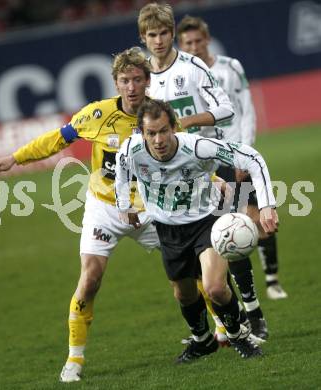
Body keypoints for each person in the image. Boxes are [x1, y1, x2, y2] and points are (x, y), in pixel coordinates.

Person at [0, 47, 162, 383]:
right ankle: (74, 359)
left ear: (147, 81)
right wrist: (14, 158)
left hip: (150, 208)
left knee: (186, 271)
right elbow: (58, 138)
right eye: (125, 80)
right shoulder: (97, 115)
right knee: (90, 278)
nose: (132, 87)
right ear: (116, 83)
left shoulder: (160, 116)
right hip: (105, 207)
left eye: (138, 79)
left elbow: (183, 153)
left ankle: (223, 330)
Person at [137, 2, 268, 343]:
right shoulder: (142, 80)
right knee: (194, 259)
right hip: (174, 178)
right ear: (143, 38)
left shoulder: (193, 67)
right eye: (153, 35)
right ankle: (224, 327)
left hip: (213, 163)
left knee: (231, 236)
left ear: (172, 33)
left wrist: (188, 123)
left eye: (165, 33)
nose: (160, 40)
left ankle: (254, 315)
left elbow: (225, 109)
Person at [115, 99, 279, 361]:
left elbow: (251, 157)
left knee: (214, 287)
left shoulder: (198, 147)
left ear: (174, 127)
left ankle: (238, 335)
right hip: (168, 230)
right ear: (141, 133)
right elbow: (121, 171)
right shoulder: (131, 150)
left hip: (207, 222)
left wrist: (268, 205)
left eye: (163, 131)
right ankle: (202, 341)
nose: (158, 140)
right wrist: (124, 204)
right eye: (151, 133)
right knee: (184, 293)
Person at [176, 15, 287, 303]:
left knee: (257, 216)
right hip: (209, 161)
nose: (194, 46)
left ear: (207, 39)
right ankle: (247, 302)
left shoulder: (229, 67)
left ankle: (272, 279)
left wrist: (244, 151)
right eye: (188, 42)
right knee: (228, 227)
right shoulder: (185, 78)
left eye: (198, 40)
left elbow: (246, 109)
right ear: (181, 44)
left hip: (237, 153)